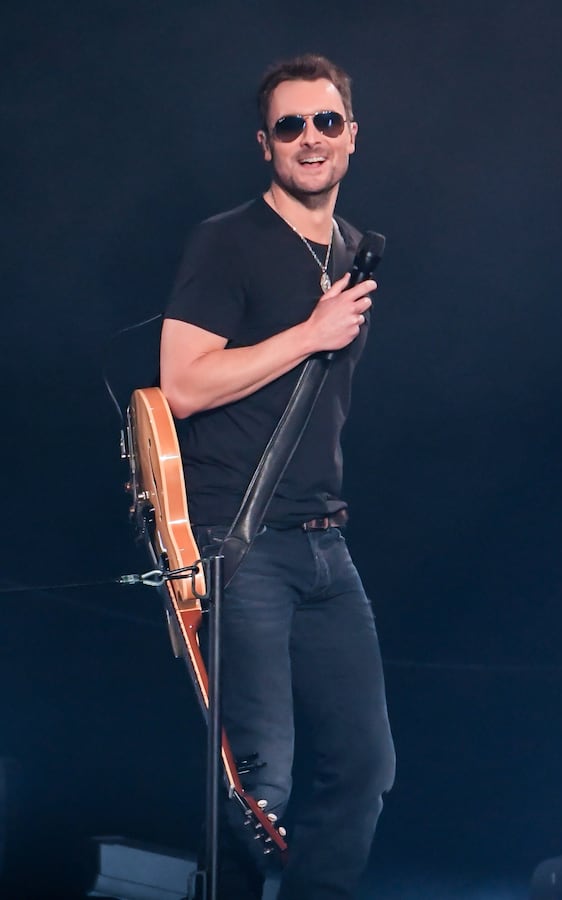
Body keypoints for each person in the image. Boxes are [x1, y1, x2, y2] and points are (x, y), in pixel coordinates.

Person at [160, 52, 395, 900]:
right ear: (266, 144)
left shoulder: (356, 250)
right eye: (290, 125)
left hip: (327, 548)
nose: (310, 138)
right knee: (258, 790)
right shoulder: (227, 241)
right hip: (243, 543)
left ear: (351, 136)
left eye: (325, 121)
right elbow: (182, 384)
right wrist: (310, 331)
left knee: (366, 771)